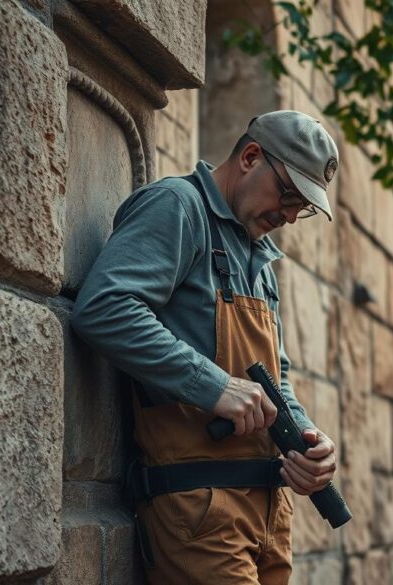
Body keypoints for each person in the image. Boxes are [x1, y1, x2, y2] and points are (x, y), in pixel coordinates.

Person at [71, 110, 340, 584]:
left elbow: (275, 379)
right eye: (289, 195)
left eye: (304, 207)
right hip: (199, 514)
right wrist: (213, 386)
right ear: (251, 157)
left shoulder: (261, 263)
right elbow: (105, 307)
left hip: (269, 518)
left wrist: (309, 440)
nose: (291, 216)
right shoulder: (178, 207)